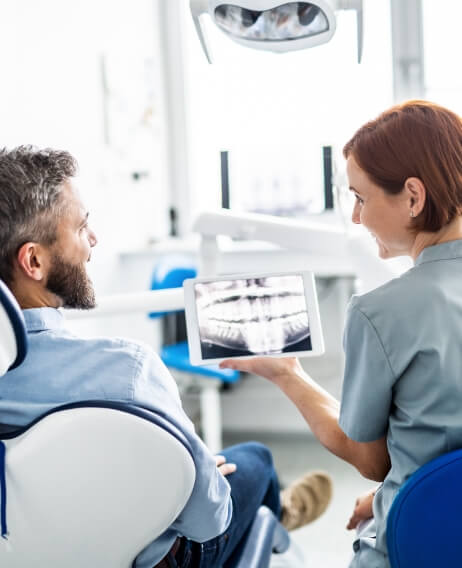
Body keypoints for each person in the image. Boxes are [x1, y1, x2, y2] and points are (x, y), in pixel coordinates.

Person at [0, 145, 333, 568]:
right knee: (255, 461)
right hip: (151, 559)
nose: (94, 239)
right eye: (82, 227)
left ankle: (279, 508)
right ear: (33, 260)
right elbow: (209, 520)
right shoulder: (128, 371)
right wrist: (199, 473)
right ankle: (280, 511)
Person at [220, 100, 462, 567]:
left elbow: (372, 462)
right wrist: (387, 495)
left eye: (361, 198)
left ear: (413, 197)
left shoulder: (380, 313)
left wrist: (289, 374)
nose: (356, 218)